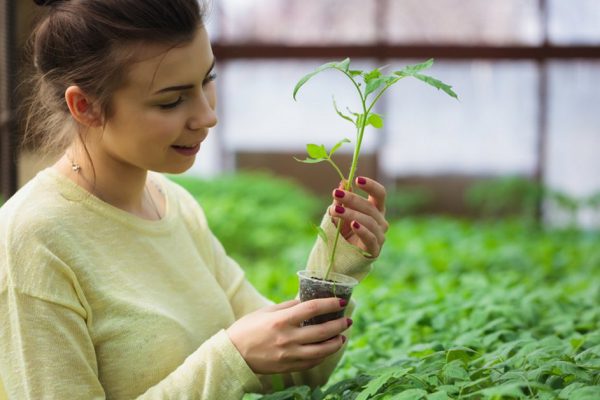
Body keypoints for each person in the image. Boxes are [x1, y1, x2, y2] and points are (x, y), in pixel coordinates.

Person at [0, 0, 388, 398]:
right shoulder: (33, 238)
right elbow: (240, 359)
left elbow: (293, 372)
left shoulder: (173, 204)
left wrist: (335, 267)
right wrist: (232, 358)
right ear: (85, 107)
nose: (206, 116)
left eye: (207, 80)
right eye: (171, 100)